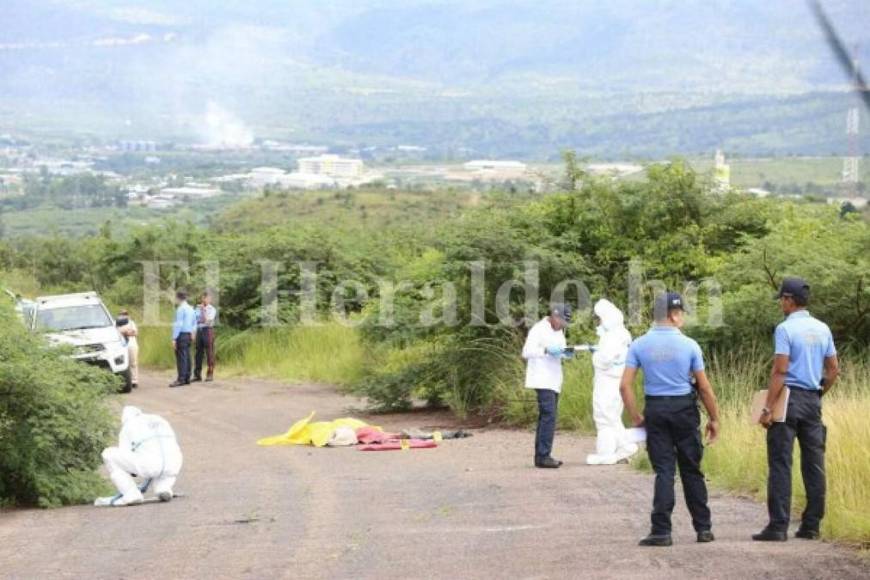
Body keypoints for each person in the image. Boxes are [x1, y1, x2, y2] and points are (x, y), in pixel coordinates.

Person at [620, 292, 720, 546]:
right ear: (674, 315)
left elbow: (625, 386)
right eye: (681, 313)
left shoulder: (639, 345)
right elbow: (705, 388)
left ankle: (661, 531)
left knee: (664, 470)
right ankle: (703, 528)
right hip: (684, 410)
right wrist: (714, 418)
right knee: (691, 469)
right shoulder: (690, 345)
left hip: (655, 409)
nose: (682, 317)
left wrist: (636, 416)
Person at [753, 277, 839, 542]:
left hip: (787, 399)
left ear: (790, 300)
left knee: (781, 462)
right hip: (813, 401)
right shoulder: (822, 328)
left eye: (782, 298)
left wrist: (767, 407)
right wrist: (816, 393)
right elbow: (834, 370)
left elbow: (780, 370)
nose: (781, 303)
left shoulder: (785, 329)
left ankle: (778, 527)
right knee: (814, 464)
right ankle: (811, 526)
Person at [94, 406, 183, 507]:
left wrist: (131, 472)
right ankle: (163, 488)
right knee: (161, 463)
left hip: (151, 465)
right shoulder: (159, 420)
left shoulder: (128, 426)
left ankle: (131, 494)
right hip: (174, 464)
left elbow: (125, 452)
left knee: (109, 454)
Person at [586, 299, 638, 465]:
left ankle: (606, 453)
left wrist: (596, 355)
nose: (599, 323)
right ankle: (625, 447)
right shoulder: (622, 334)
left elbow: (604, 359)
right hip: (616, 380)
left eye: (600, 318)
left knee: (604, 416)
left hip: (608, 381)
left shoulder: (612, 336)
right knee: (612, 416)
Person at [522, 303, 573, 469]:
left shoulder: (559, 332)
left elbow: (560, 351)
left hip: (554, 379)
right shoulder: (538, 329)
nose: (563, 325)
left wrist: (566, 353)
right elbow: (526, 352)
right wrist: (545, 350)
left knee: (546, 417)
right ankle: (544, 456)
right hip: (542, 379)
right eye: (562, 321)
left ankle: (541, 456)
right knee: (549, 416)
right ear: (554, 316)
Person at [170, 290, 196, 388]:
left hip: (181, 334)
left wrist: (174, 338)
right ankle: (187, 378)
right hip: (189, 334)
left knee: (181, 357)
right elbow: (194, 323)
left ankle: (181, 379)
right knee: (187, 356)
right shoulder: (191, 308)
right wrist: (193, 333)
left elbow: (179, 324)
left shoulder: (181, 309)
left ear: (178, 298)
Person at [193, 291, 217, 382]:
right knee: (198, 353)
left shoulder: (212, 309)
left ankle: (210, 374)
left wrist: (203, 311)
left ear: (210, 299)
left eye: (206, 298)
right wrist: (194, 333)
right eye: (203, 298)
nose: (204, 300)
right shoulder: (197, 308)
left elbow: (208, 321)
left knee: (209, 352)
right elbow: (196, 321)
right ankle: (197, 375)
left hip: (208, 331)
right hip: (199, 331)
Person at [116, 310, 139, 389]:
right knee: (122, 363)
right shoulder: (117, 323)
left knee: (133, 363)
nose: (124, 315)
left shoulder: (131, 323)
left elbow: (135, 333)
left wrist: (126, 333)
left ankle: (134, 381)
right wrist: (127, 332)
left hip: (132, 345)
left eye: (125, 314)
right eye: (122, 314)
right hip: (121, 346)